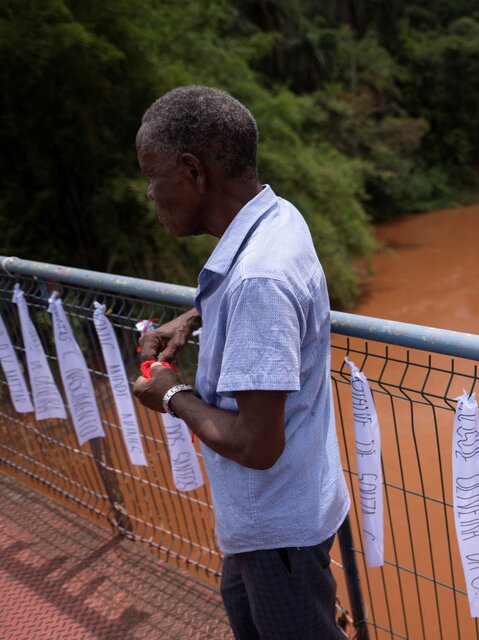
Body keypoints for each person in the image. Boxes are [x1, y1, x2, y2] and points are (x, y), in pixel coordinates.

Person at [132, 85, 350, 639]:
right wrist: (194, 316)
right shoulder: (276, 218)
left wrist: (172, 396)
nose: (149, 192)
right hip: (286, 512)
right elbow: (258, 292)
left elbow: (258, 444)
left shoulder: (258, 279)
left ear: (192, 171)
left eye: (152, 173)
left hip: (275, 527)